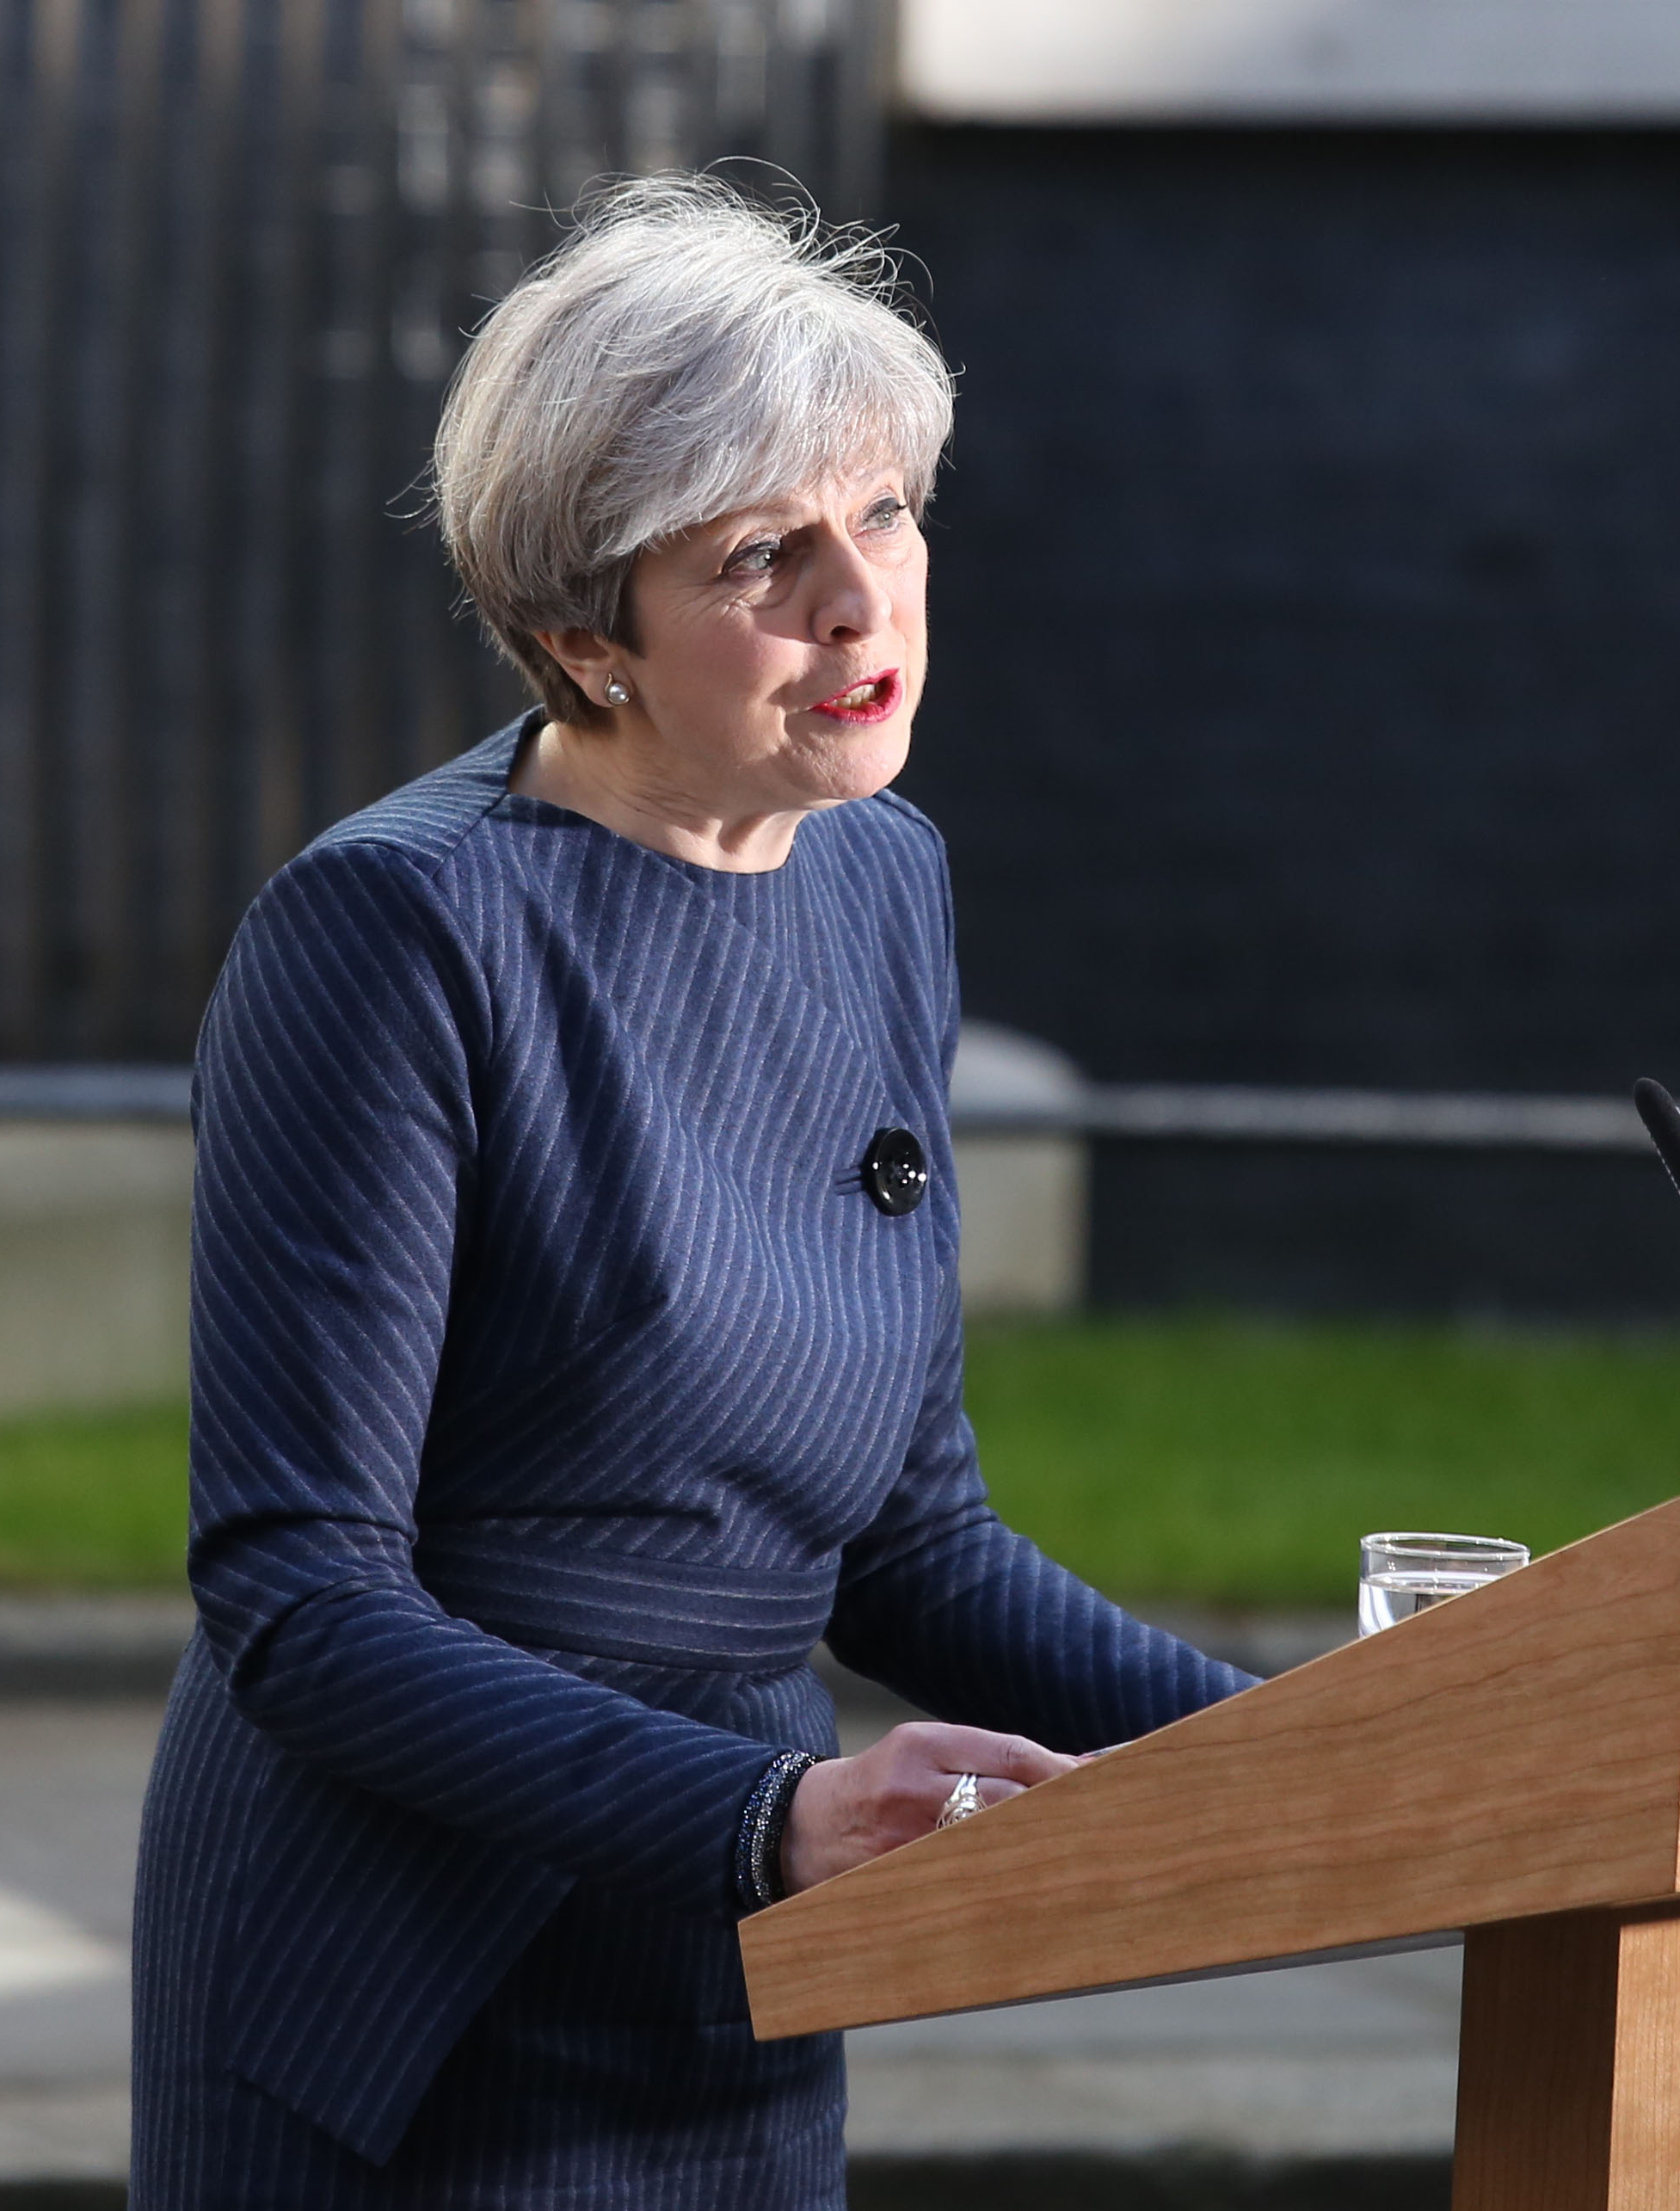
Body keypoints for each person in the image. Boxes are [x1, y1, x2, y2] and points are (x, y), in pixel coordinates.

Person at [128, 175, 1254, 2208]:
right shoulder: (392, 934)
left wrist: (1317, 1742)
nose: (861, 601)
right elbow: (298, 1597)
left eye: (887, 514)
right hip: (401, 1989)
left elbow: (910, 1545)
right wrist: (769, 1814)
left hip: (728, 1966)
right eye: (763, 554)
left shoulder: (877, 876)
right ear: (582, 634)